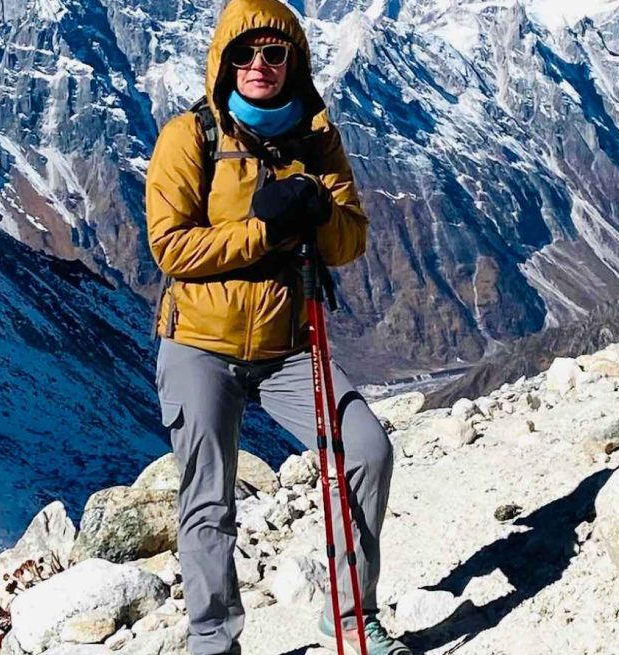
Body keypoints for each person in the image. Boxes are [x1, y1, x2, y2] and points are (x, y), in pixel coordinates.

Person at [145, 1, 409, 653]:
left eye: (273, 53)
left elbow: (350, 241)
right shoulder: (191, 136)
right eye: (244, 53)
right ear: (224, 61)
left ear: (294, 60)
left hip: (290, 344)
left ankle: (349, 611)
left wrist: (316, 209)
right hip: (200, 346)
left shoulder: (317, 141)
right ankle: (213, 637)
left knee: (366, 449)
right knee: (210, 499)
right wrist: (264, 230)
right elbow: (171, 246)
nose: (257, 66)